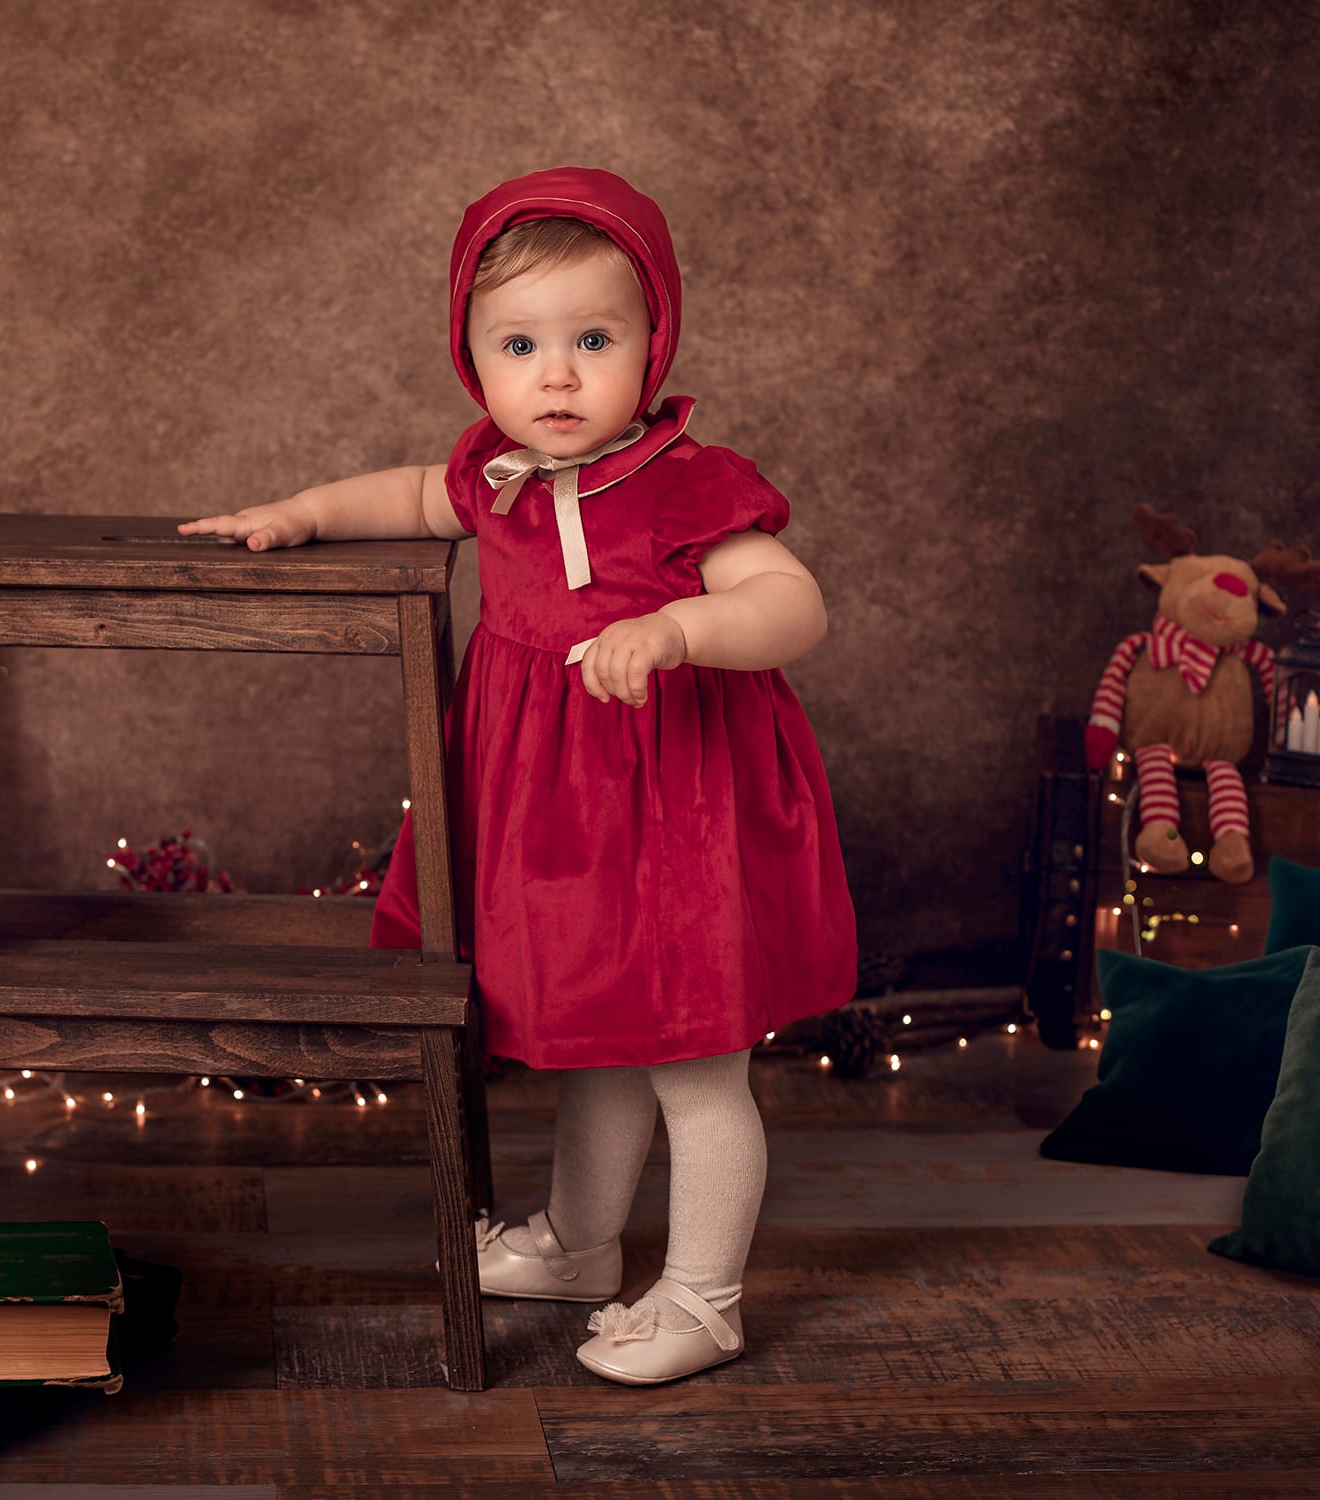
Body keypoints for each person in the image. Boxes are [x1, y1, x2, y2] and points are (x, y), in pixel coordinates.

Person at [182, 166, 856, 1385]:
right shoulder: (492, 474)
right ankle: (581, 1246)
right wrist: (295, 512)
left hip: (678, 808)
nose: (556, 375)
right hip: (556, 814)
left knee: (695, 1062)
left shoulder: (685, 482)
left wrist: (679, 632)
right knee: (597, 1041)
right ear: (473, 358)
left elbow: (789, 602)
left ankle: (703, 1299)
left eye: (591, 338)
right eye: (519, 343)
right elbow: (399, 495)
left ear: (652, 345)